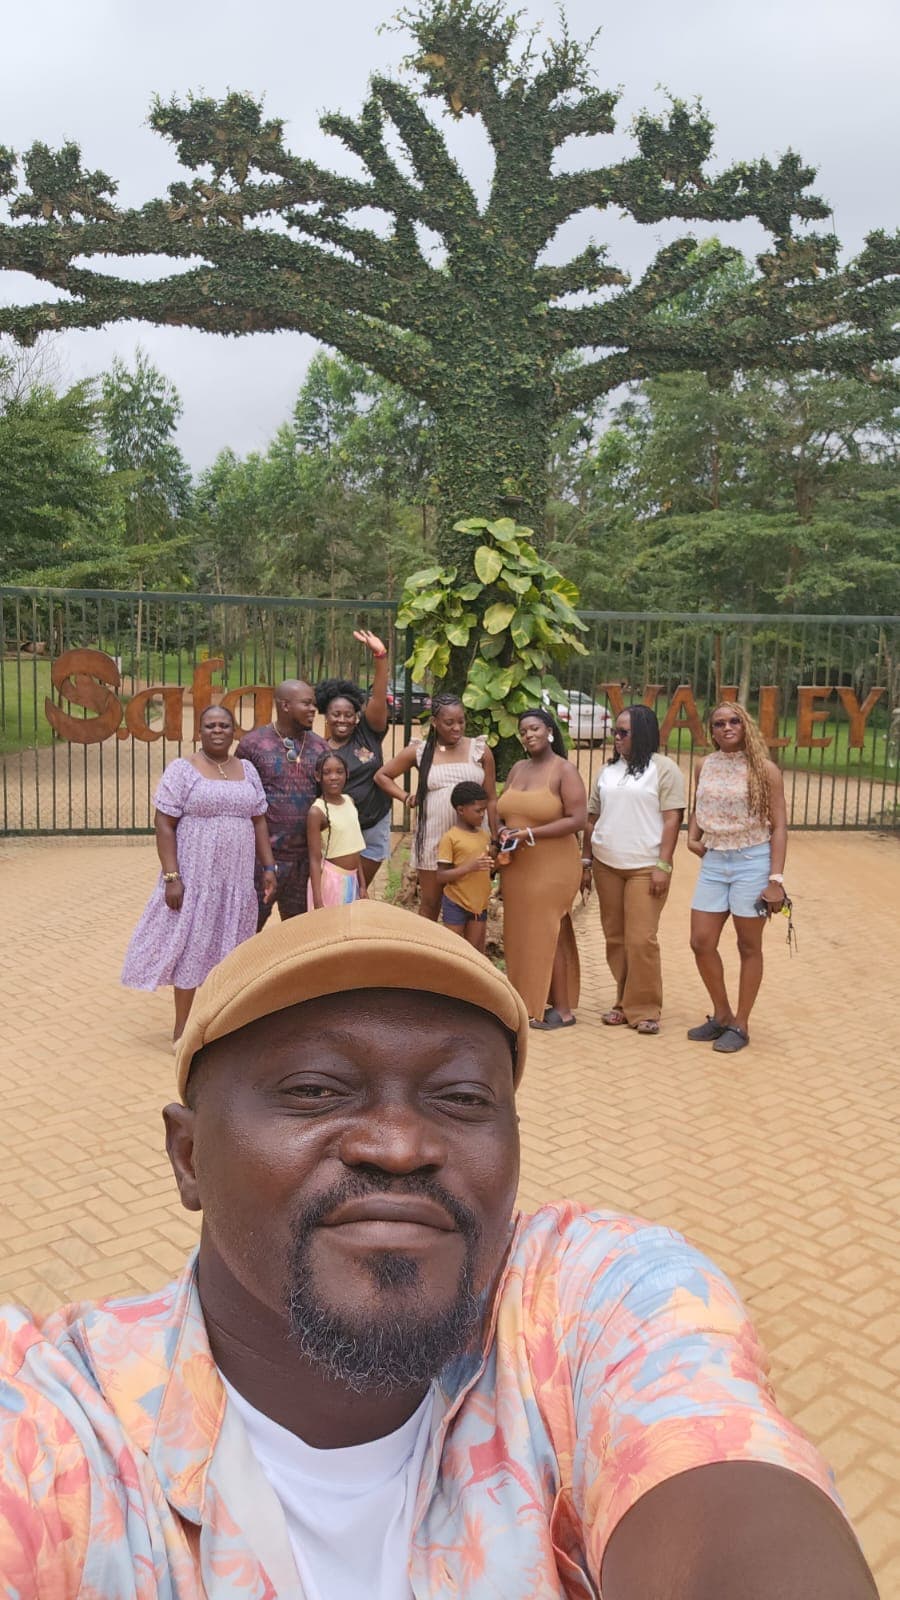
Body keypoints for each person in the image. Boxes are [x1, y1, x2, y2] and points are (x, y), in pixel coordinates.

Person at [0, 903, 876, 1599]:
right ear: (189, 1156)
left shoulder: (590, 1309)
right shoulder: (61, 1425)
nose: (399, 1145)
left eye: (459, 1098)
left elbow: (707, 1452)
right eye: (315, 1090)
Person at [121, 703, 276, 1043]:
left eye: (224, 725)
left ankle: (221, 1023)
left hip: (235, 882)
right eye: (210, 726)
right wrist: (172, 877)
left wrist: (268, 867)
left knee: (231, 950)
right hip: (196, 879)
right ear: (200, 731)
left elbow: (259, 820)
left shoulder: (247, 770)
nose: (217, 731)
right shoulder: (183, 770)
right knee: (193, 945)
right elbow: (164, 824)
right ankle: (183, 1029)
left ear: (234, 731)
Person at [687, 701, 788, 1054]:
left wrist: (775, 879)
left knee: (748, 946)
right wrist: (691, 836)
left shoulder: (765, 770)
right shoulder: (704, 765)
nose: (727, 727)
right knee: (701, 941)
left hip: (752, 861)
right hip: (714, 861)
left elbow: (779, 827)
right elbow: (700, 805)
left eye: (734, 721)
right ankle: (722, 1014)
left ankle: (741, 1024)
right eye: (719, 723)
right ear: (712, 731)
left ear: (745, 726)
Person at [582, 705, 686, 1036]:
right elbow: (591, 818)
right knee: (616, 938)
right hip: (607, 865)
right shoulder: (607, 771)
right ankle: (623, 1002)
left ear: (642, 734)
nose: (616, 737)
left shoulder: (664, 769)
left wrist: (663, 864)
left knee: (641, 939)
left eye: (623, 732)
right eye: (615, 731)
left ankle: (645, 1008)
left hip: (645, 866)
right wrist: (586, 861)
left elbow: (672, 819)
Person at [496, 706, 587, 1029]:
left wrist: (530, 833)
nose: (528, 735)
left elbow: (577, 819)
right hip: (518, 865)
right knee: (521, 934)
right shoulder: (518, 768)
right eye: (523, 731)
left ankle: (562, 1010)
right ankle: (526, 1002)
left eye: (534, 728)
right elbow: (503, 810)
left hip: (553, 865)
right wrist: (502, 830)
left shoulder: (564, 770)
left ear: (549, 731)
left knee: (548, 931)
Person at [375, 693, 498, 920]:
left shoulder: (479, 750)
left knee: (472, 904)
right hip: (433, 839)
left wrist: (495, 839)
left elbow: (491, 798)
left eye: (461, 721)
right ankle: (425, 944)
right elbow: (382, 776)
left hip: (472, 841)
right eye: (449, 722)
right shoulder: (421, 751)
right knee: (430, 904)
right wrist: (406, 797)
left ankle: (462, 944)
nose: (456, 728)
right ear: (434, 722)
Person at [235, 678, 328, 927]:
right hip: (262, 862)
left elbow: (327, 801)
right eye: (306, 703)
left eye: (314, 704)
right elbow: (241, 800)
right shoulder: (252, 745)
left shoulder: (321, 747)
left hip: (304, 864)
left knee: (301, 934)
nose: (313, 709)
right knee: (247, 929)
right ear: (285, 705)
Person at [315, 628, 393, 888]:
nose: (343, 720)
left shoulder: (368, 734)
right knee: (341, 890)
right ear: (326, 716)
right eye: (336, 714)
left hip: (373, 825)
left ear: (357, 716)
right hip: (339, 833)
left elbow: (378, 697)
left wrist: (380, 656)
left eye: (349, 714)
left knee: (360, 891)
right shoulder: (319, 751)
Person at [436, 780, 495, 951]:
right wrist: (469, 867)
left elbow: (488, 869)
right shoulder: (450, 838)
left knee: (473, 951)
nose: (483, 815)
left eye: (484, 810)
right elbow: (441, 876)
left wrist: (498, 859)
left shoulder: (484, 836)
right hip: (456, 902)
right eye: (478, 811)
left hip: (479, 904)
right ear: (461, 810)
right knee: (452, 950)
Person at [307, 750, 368, 908]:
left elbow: (354, 847)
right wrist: (318, 902)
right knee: (332, 923)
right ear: (318, 776)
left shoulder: (349, 801)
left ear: (347, 773)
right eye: (327, 773)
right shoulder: (317, 811)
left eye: (339, 772)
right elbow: (314, 859)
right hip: (332, 882)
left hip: (352, 879)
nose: (334, 777)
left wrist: (362, 885)